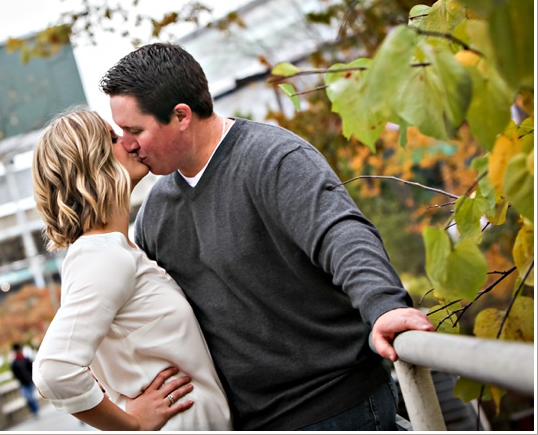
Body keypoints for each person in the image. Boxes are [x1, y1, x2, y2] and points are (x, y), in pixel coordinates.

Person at [99, 42, 436, 431]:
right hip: (249, 422)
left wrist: (385, 305)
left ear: (180, 116)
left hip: (336, 408)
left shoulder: (273, 159)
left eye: (134, 130)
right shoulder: (155, 214)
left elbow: (340, 233)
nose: (126, 144)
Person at [30, 107, 232, 431]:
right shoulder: (103, 256)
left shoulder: (119, 249)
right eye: (113, 138)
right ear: (91, 165)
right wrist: (132, 424)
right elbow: (54, 371)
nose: (129, 141)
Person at [10, 343, 39, 417]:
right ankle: (33, 410)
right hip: (22, 383)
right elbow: (14, 374)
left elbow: (32, 369)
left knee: (31, 397)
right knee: (27, 398)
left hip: (29, 381)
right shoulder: (14, 363)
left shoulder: (26, 360)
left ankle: (35, 411)